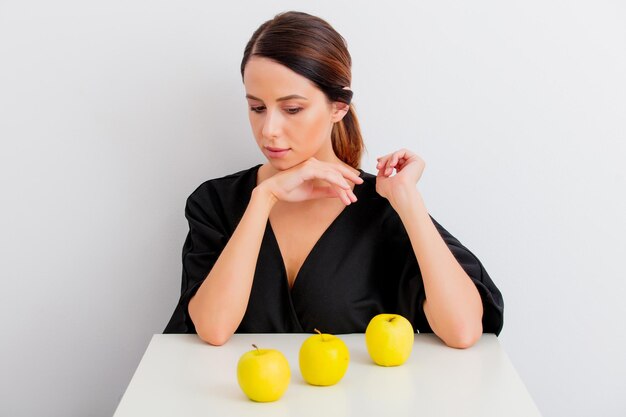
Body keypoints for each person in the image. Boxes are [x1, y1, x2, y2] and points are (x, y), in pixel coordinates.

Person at [164, 10, 504, 348]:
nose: (268, 130)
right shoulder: (215, 203)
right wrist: (263, 199)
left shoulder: (382, 207)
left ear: (338, 107)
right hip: (236, 401)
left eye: (292, 109)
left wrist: (408, 202)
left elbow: (462, 331)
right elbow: (213, 328)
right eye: (257, 108)